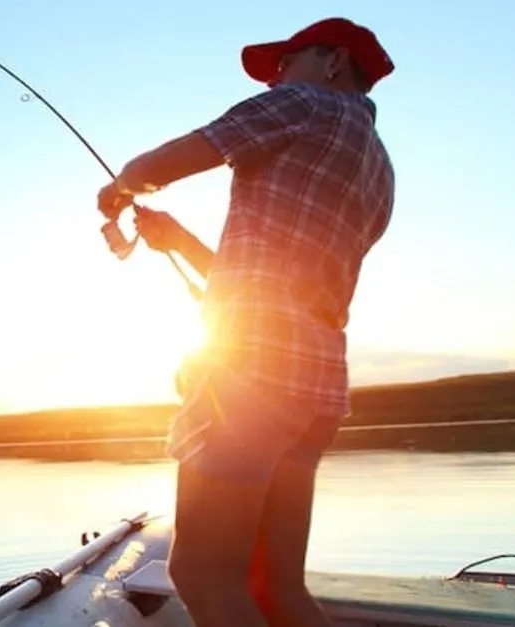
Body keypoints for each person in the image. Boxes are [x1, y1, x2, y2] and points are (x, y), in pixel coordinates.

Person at [96, 17, 396, 627]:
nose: (277, 79)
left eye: (286, 63)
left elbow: (164, 162)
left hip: (251, 379)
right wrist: (176, 239)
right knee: (278, 588)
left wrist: (122, 186)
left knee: (203, 576)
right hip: (314, 388)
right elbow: (272, 284)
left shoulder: (302, 103)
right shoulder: (380, 170)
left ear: (333, 62)